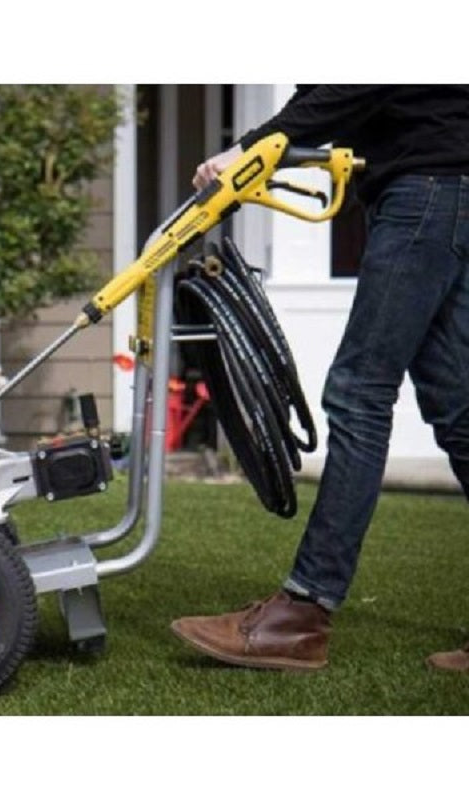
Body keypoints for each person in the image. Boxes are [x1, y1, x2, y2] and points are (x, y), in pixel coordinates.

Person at [171, 85, 469, 672]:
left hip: (427, 192)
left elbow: (355, 80)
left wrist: (251, 149)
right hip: (444, 188)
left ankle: (303, 612)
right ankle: (301, 612)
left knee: (360, 393)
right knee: (457, 408)